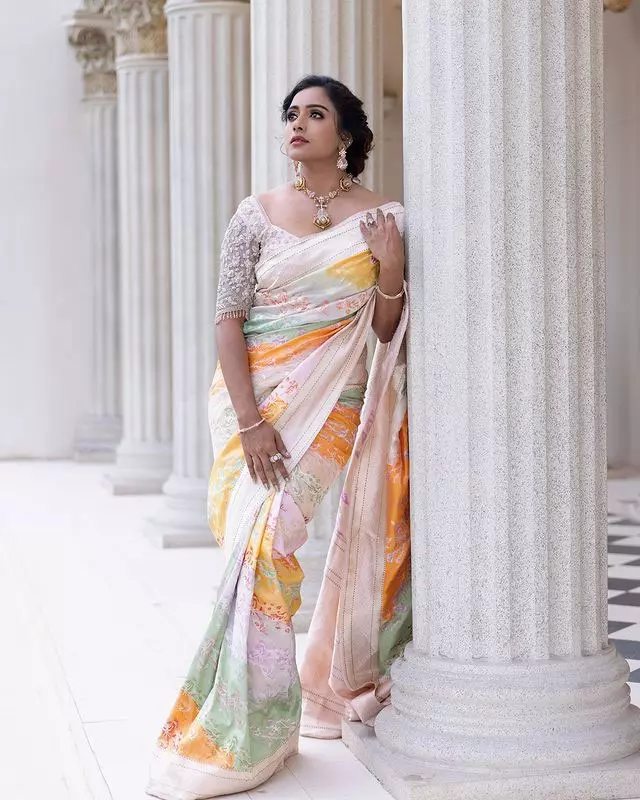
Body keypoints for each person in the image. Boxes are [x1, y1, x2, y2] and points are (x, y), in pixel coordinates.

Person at [146, 74, 412, 800]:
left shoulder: (383, 219)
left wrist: (390, 267)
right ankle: (259, 719)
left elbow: (385, 331)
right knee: (250, 546)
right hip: (252, 404)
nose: (297, 123)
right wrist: (252, 423)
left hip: (334, 401)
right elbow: (227, 320)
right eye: (292, 113)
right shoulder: (255, 215)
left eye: (315, 114)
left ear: (346, 135)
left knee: (272, 543)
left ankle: (252, 722)